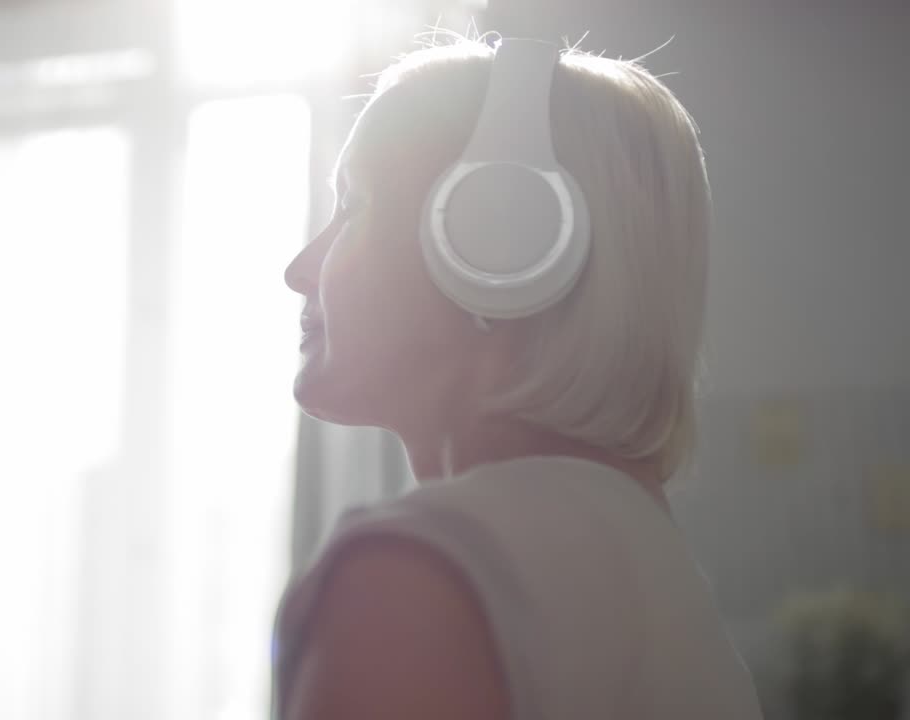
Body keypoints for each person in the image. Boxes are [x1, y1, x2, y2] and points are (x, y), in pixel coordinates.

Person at [274, 34, 764, 719]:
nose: (300, 269)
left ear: (499, 239)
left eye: (354, 205)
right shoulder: (646, 558)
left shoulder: (416, 580)